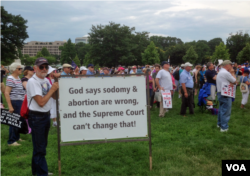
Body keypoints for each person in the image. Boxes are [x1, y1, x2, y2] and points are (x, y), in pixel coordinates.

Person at [26, 58, 59, 176]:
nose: (44, 69)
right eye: (41, 67)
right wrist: (52, 90)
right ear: (35, 68)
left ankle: (37, 171)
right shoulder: (33, 81)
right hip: (37, 117)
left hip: (45, 115)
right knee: (40, 148)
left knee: (41, 145)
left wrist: (56, 86)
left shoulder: (45, 80)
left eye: (46, 66)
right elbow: (41, 102)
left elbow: (54, 97)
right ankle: (41, 173)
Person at [5, 63, 25, 146]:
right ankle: (11, 141)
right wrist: (10, 106)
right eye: (19, 69)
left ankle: (17, 137)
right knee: (14, 120)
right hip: (15, 101)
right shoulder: (10, 78)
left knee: (19, 120)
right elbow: (6, 92)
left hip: (20, 101)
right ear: (14, 70)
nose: (21, 70)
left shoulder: (18, 78)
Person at [216, 60, 237, 132]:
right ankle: (224, 127)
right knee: (226, 111)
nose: (232, 66)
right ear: (227, 65)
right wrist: (232, 72)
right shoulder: (226, 73)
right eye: (231, 65)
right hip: (225, 94)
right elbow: (235, 81)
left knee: (221, 110)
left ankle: (219, 124)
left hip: (220, 93)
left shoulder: (220, 72)